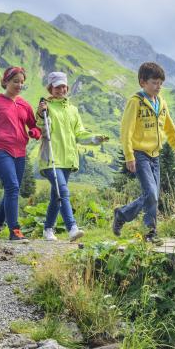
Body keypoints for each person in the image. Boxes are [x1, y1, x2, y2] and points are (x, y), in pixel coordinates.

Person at [112, 62, 175, 241]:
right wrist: (129, 155)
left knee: (153, 195)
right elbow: (126, 130)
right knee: (151, 194)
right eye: (154, 82)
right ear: (142, 82)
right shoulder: (135, 102)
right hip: (139, 154)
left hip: (155, 155)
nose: (158, 86)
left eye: (160, 83)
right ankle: (148, 232)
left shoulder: (161, 103)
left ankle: (124, 216)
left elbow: (169, 128)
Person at [36, 71, 108, 241]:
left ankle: (47, 229)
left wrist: (93, 138)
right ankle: (72, 228)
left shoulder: (73, 110)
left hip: (68, 160)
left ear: (67, 87)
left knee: (57, 195)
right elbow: (41, 128)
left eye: (63, 86)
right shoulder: (46, 107)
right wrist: (40, 114)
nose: (61, 90)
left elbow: (79, 133)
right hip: (51, 159)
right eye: (57, 87)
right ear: (50, 88)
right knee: (63, 191)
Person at [0, 66, 41, 241]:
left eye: (21, 82)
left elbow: (35, 126)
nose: (19, 85)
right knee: (12, 187)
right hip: (0, 150)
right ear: (6, 82)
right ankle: (15, 231)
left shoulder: (24, 105)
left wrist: (34, 133)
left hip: (20, 153)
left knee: (11, 190)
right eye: (15, 81)